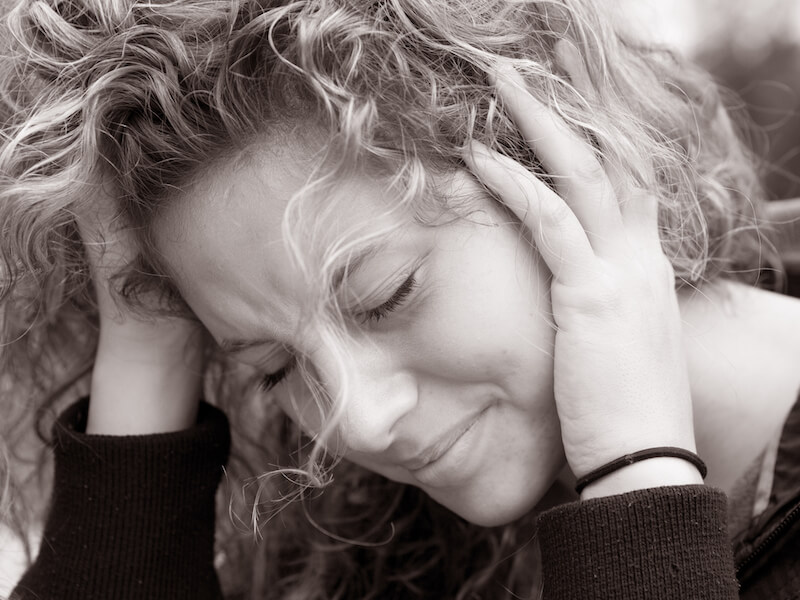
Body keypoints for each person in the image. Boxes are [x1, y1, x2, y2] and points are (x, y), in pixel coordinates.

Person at [1, 0, 799, 598]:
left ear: (563, 147)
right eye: (276, 368)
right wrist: (146, 331)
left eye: (387, 297)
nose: (358, 421)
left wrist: (637, 471)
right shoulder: (369, 545)